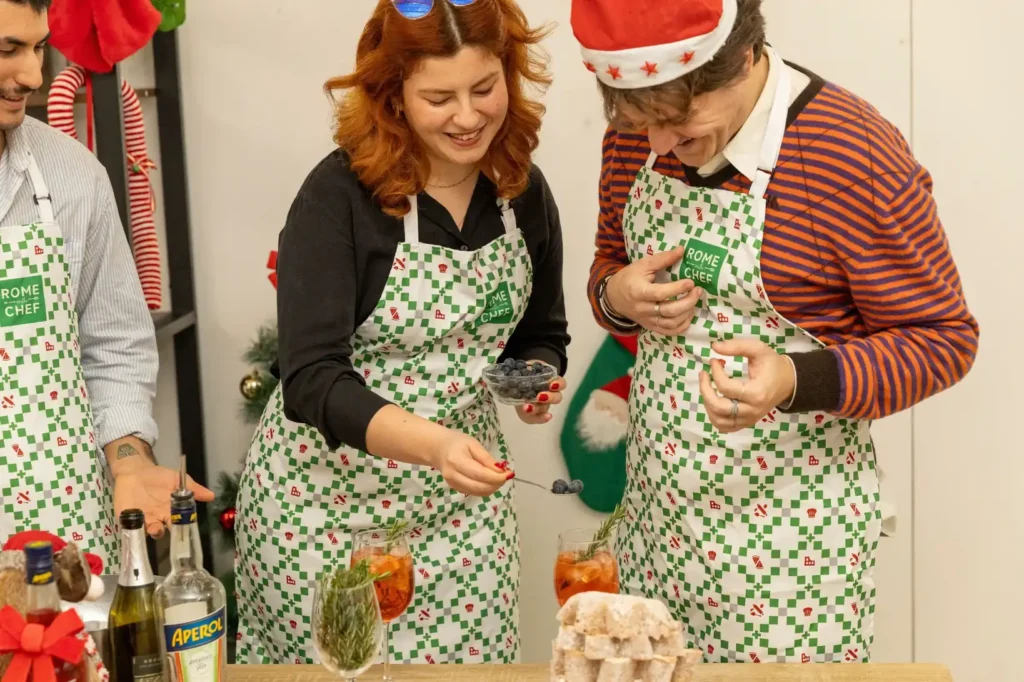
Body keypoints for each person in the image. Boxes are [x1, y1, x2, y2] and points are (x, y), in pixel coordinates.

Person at [571, 0, 979, 664]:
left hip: (793, 557)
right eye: (635, 121)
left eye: (677, 122)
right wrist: (616, 296)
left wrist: (794, 377)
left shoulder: (848, 151)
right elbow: (607, 265)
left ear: (743, 59)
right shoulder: (636, 136)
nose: (656, 146)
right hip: (659, 531)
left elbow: (942, 338)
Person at [234, 0, 570, 665]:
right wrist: (434, 444)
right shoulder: (339, 199)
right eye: (439, 98)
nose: (469, 116)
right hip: (323, 517)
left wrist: (530, 380)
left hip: (460, 522)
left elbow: (542, 331)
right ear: (393, 96)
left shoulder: (521, 193)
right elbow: (311, 378)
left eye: (484, 88)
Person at [0, 0, 212, 568]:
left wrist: (130, 460)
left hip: (66, 536)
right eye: (7, 50)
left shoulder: (73, 176)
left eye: (39, 47)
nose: (32, 75)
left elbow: (114, 346)